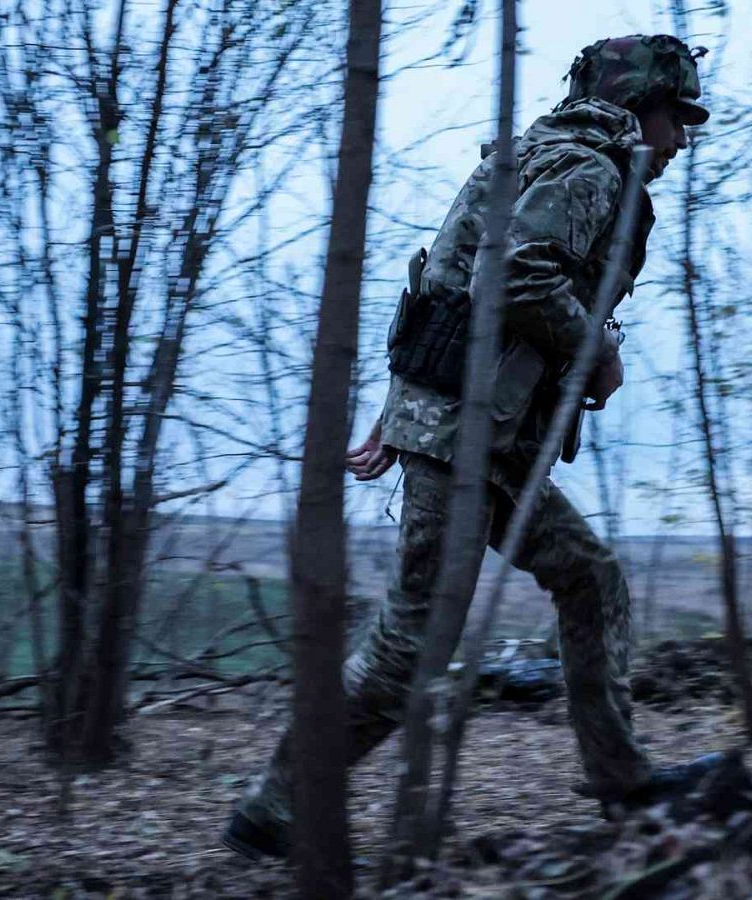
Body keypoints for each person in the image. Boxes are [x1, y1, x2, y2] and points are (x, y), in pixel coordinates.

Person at [223, 34, 718, 861]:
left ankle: (622, 776)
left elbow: (442, 284)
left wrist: (404, 404)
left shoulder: (537, 156)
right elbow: (511, 279)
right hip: (464, 441)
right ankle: (273, 805)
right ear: (637, 108)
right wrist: (596, 348)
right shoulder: (588, 170)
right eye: (676, 118)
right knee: (414, 640)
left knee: (589, 579)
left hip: (480, 434)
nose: (680, 141)